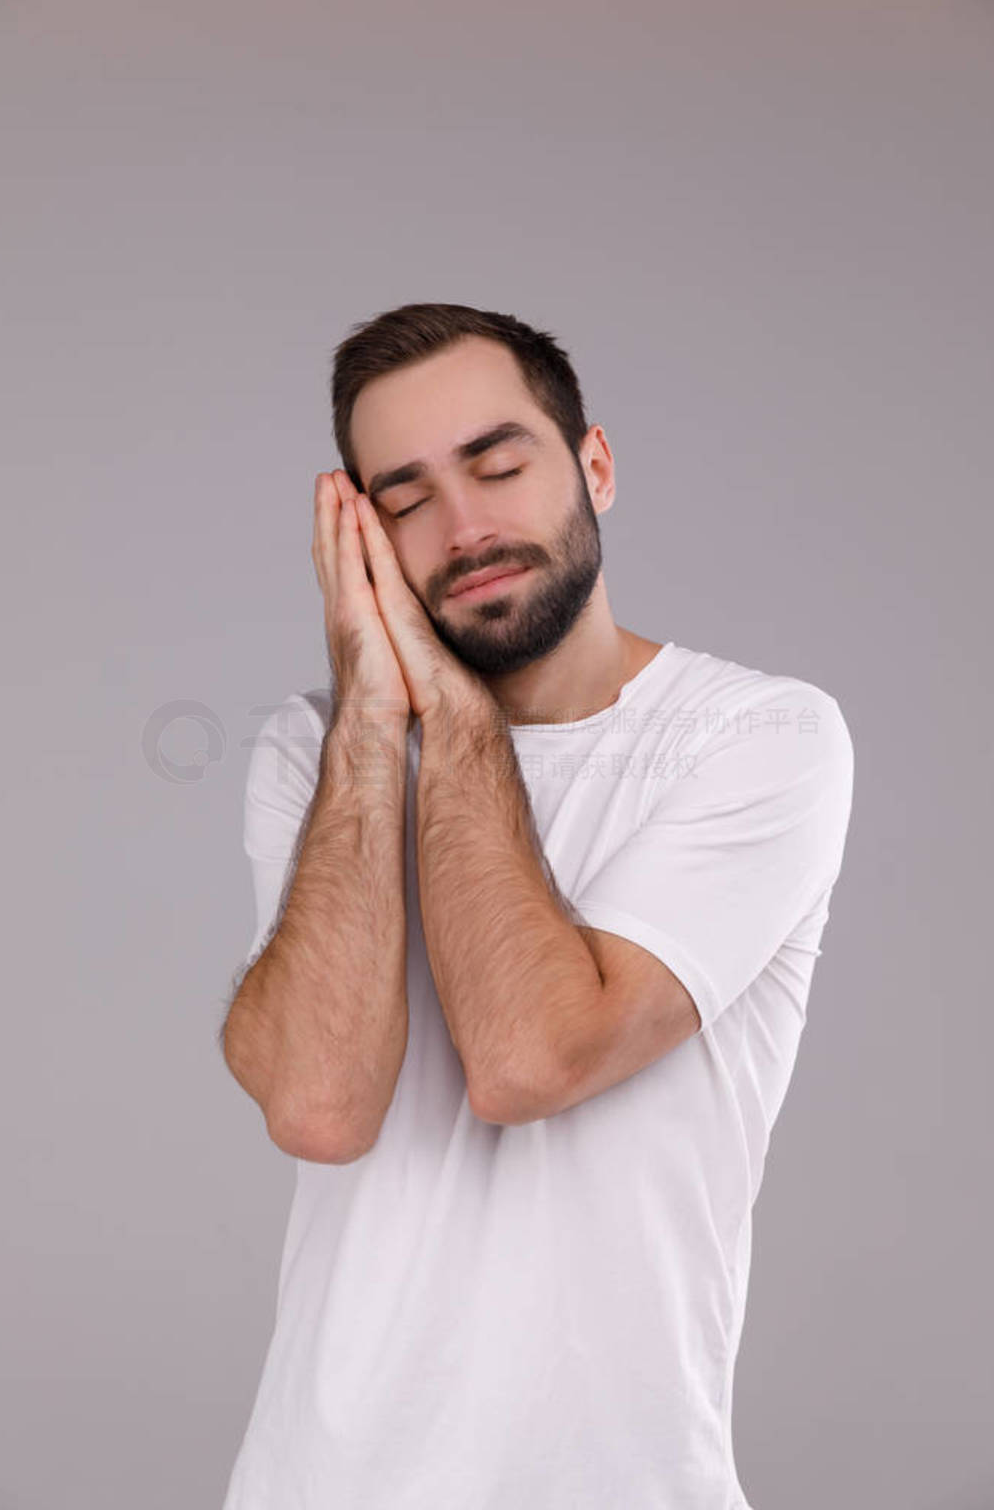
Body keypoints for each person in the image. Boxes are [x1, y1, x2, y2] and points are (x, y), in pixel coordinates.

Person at [219, 302, 855, 1509]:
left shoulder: (760, 738)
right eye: (403, 500)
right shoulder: (316, 751)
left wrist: (449, 709)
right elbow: (316, 1105)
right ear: (359, 538)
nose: (464, 529)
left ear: (595, 467)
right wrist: (369, 709)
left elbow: (526, 1060)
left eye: (499, 467)